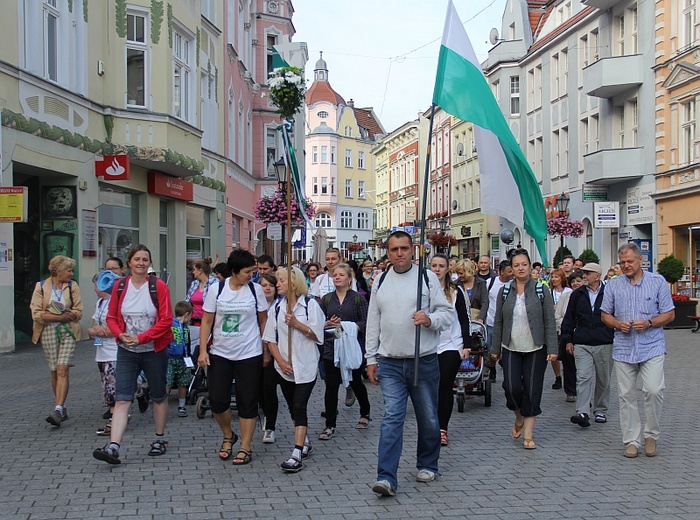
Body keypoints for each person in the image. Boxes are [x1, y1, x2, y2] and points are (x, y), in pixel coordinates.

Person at [365, 231, 453, 496]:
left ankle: (428, 462)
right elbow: (373, 321)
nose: (399, 254)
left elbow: (446, 315)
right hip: (390, 361)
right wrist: (370, 358)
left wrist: (429, 319)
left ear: (413, 249)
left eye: (404, 248)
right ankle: (386, 476)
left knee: (428, 417)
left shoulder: (427, 278)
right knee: (392, 418)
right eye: (394, 250)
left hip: (422, 360)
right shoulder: (380, 281)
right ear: (388, 252)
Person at [93, 244, 174, 464]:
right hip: (127, 350)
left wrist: (142, 337)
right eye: (137, 259)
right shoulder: (120, 287)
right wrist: (120, 335)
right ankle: (113, 446)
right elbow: (111, 317)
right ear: (129, 262)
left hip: (153, 350)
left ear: (150, 264)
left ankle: (159, 438)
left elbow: (166, 321)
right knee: (122, 398)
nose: (141, 263)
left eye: (145, 260)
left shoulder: (158, 287)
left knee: (159, 395)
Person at [601, 243, 675, 458]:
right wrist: (617, 324)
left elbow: (669, 313)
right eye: (622, 262)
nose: (626, 265)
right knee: (626, 395)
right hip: (624, 348)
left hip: (651, 346)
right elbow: (605, 314)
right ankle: (632, 440)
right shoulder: (614, 285)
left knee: (653, 390)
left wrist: (650, 323)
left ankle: (651, 435)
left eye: (630, 261)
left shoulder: (657, 282)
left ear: (641, 260)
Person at [198, 249, 268, 465]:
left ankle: (245, 446)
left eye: (253, 271)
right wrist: (202, 350)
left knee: (248, 401)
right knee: (218, 400)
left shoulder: (256, 291)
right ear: (235, 271)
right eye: (248, 272)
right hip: (221, 353)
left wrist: (266, 350)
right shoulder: (216, 290)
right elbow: (207, 321)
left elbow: (264, 321)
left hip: (249, 352)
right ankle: (228, 435)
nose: (252, 275)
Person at [491, 249, 557, 450]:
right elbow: (499, 321)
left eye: (524, 264)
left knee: (532, 388)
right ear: (511, 268)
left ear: (530, 267)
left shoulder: (540, 289)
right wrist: (495, 349)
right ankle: (518, 416)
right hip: (510, 345)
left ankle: (528, 434)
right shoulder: (504, 291)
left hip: (535, 346)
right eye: (517, 265)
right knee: (511, 387)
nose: (521, 268)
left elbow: (549, 321)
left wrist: (553, 348)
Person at [262, 267, 325, 472]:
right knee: (292, 406)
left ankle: (296, 453)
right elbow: (270, 339)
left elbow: (318, 336)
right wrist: (280, 361)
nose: (277, 284)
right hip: (285, 367)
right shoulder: (277, 308)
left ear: (294, 283)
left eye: (281, 281)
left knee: (299, 406)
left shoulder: (311, 306)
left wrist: (297, 324)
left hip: (305, 366)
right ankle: (304, 440)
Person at [318, 263, 371, 440]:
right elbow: (319, 322)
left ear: (349, 279)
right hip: (331, 347)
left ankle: (365, 412)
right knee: (331, 386)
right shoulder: (326, 299)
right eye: (335, 275)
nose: (337, 277)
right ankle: (330, 424)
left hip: (351, 347)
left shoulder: (358, 299)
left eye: (341, 275)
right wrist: (327, 323)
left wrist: (349, 326)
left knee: (355, 381)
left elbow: (366, 322)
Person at [30, 255, 83, 428]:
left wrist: (70, 315)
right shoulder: (41, 287)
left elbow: (79, 310)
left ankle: (58, 408)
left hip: (68, 329)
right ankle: (62, 406)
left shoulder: (72, 286)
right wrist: (57, 316)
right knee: (54, 370)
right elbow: (37, 314)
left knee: (62, 368)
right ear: (57, 272)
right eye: (68, 270)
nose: (71, 273)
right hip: (48, 330)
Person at [560, 263, 614, 427]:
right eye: (584, 273)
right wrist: (568, 339)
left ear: (597, 276)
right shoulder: (578, 294)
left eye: (588, 273)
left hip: (604, 339)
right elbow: (568, 318)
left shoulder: (609, 292)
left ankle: (600, 410)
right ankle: (582, 411)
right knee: (583, 376)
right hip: (582, 340)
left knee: (603, 378)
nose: (584, 276)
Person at [430, 254, 471, 446]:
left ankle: (442, 428)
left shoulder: (455, 291)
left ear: (448, 268)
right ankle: (431, 425)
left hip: (451, 344)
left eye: (441, 266)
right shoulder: (423, 289)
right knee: (429, 387)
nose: (437, 269)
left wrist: (467, 344)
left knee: (444, 385)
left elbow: (464, 318)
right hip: (428, 344)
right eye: (434, 265)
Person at [87, 267, 123, 435]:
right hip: (101, 351)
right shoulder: (99, 303)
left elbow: (115, 328)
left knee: (112, 386)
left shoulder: (114, 302)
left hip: (114, 351)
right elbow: (95, 324)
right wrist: (96, 333)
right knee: (106, 385)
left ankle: (113, 420)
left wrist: (101, 331)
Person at [260, 273, 282, 444]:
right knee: (257, 390)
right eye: (264, 285)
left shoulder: (280, 306)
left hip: (276, 352)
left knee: (269, 389)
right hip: (254, 352)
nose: (267, 288)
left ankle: (270, 427)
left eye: (270, 285)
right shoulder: (254, 305)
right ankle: (263, 415)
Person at [484, 260, 513, 381]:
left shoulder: (514, 284)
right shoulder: (490, 283)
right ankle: (492, 368)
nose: (512, 273)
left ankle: (508, 370)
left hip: (509, 323)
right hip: (492, 322)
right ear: (501, 272)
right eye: (509, 271)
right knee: (491, 348)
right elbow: (484, 301)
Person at [167, 301, 193, 418]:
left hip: (183, 358)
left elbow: (187, 343)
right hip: (170, 358)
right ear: (186, 314)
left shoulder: (186, 328)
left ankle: (181, 406)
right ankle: (163, 406)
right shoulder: (171, 325)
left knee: (183, 383)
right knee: (167, 382)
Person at [548, 268, 572, 391]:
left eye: (557, 277)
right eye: (552, 277)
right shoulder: (549, 292)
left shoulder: (568, 291)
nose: (554, 279)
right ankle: (558, 376)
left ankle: (570, 377)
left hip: (565, 324)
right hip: (553, 325)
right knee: (554, 353)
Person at [185, 258, 217, 326]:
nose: (193, 272)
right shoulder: (194, 283)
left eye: (194, 270)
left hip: (209, 322)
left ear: (200, 271)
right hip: (194, 321)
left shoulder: (214, 283)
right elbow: (187, 301)